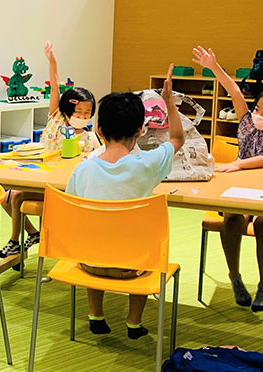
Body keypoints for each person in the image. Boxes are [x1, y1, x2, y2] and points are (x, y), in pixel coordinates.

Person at [65, 64, 184, 339]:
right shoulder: (148, 163)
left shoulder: (83, 168)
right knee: (146, 243)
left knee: (95, 232)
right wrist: (168, 100)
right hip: (133, 265)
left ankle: (96, 315)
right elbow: (178, 138)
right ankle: (133, 321)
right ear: (141, 130)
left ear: (98, 129)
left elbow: (72, 210)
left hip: (88, 262)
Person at [192, 46, 263, 311]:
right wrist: (214, 66)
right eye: (257, 108)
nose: (258, 115)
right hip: (240, 192)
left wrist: (236, 163)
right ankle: (235, 277)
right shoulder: (249, 125)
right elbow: (235, 92)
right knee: (233, 219)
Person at [0, 41, 100, 260]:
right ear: (68, 108)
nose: (82, 116)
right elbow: (54, 86)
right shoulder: (56, 117)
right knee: (5, 197)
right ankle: (32, 233)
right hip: (39, 176)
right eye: (78, 111)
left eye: (87, 113)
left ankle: (15, 241)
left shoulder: (86, 137)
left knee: (16, 195)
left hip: (60, 187)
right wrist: (52, 61)